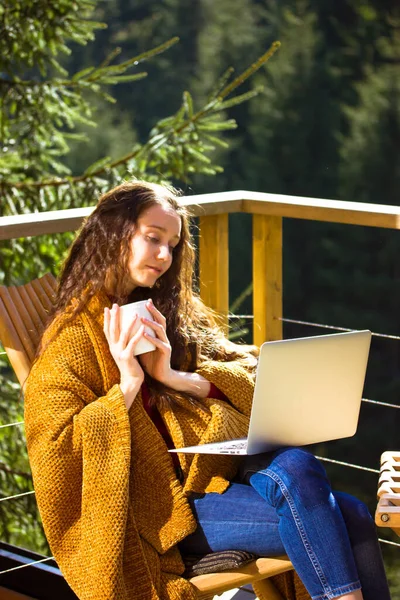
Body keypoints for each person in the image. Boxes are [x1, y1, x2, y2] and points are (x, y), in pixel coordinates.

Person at [24, 180, 391, 600]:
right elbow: (57, 455)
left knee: (317, 483)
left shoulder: (163, 313)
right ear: (113, 233)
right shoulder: (70, 341)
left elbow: (245, 367)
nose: (164, 256)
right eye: (152, 238)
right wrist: (127, 385)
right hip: (162, 514)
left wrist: (177, 379)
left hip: (216, 474)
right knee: (345, 517)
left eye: (173, 244)